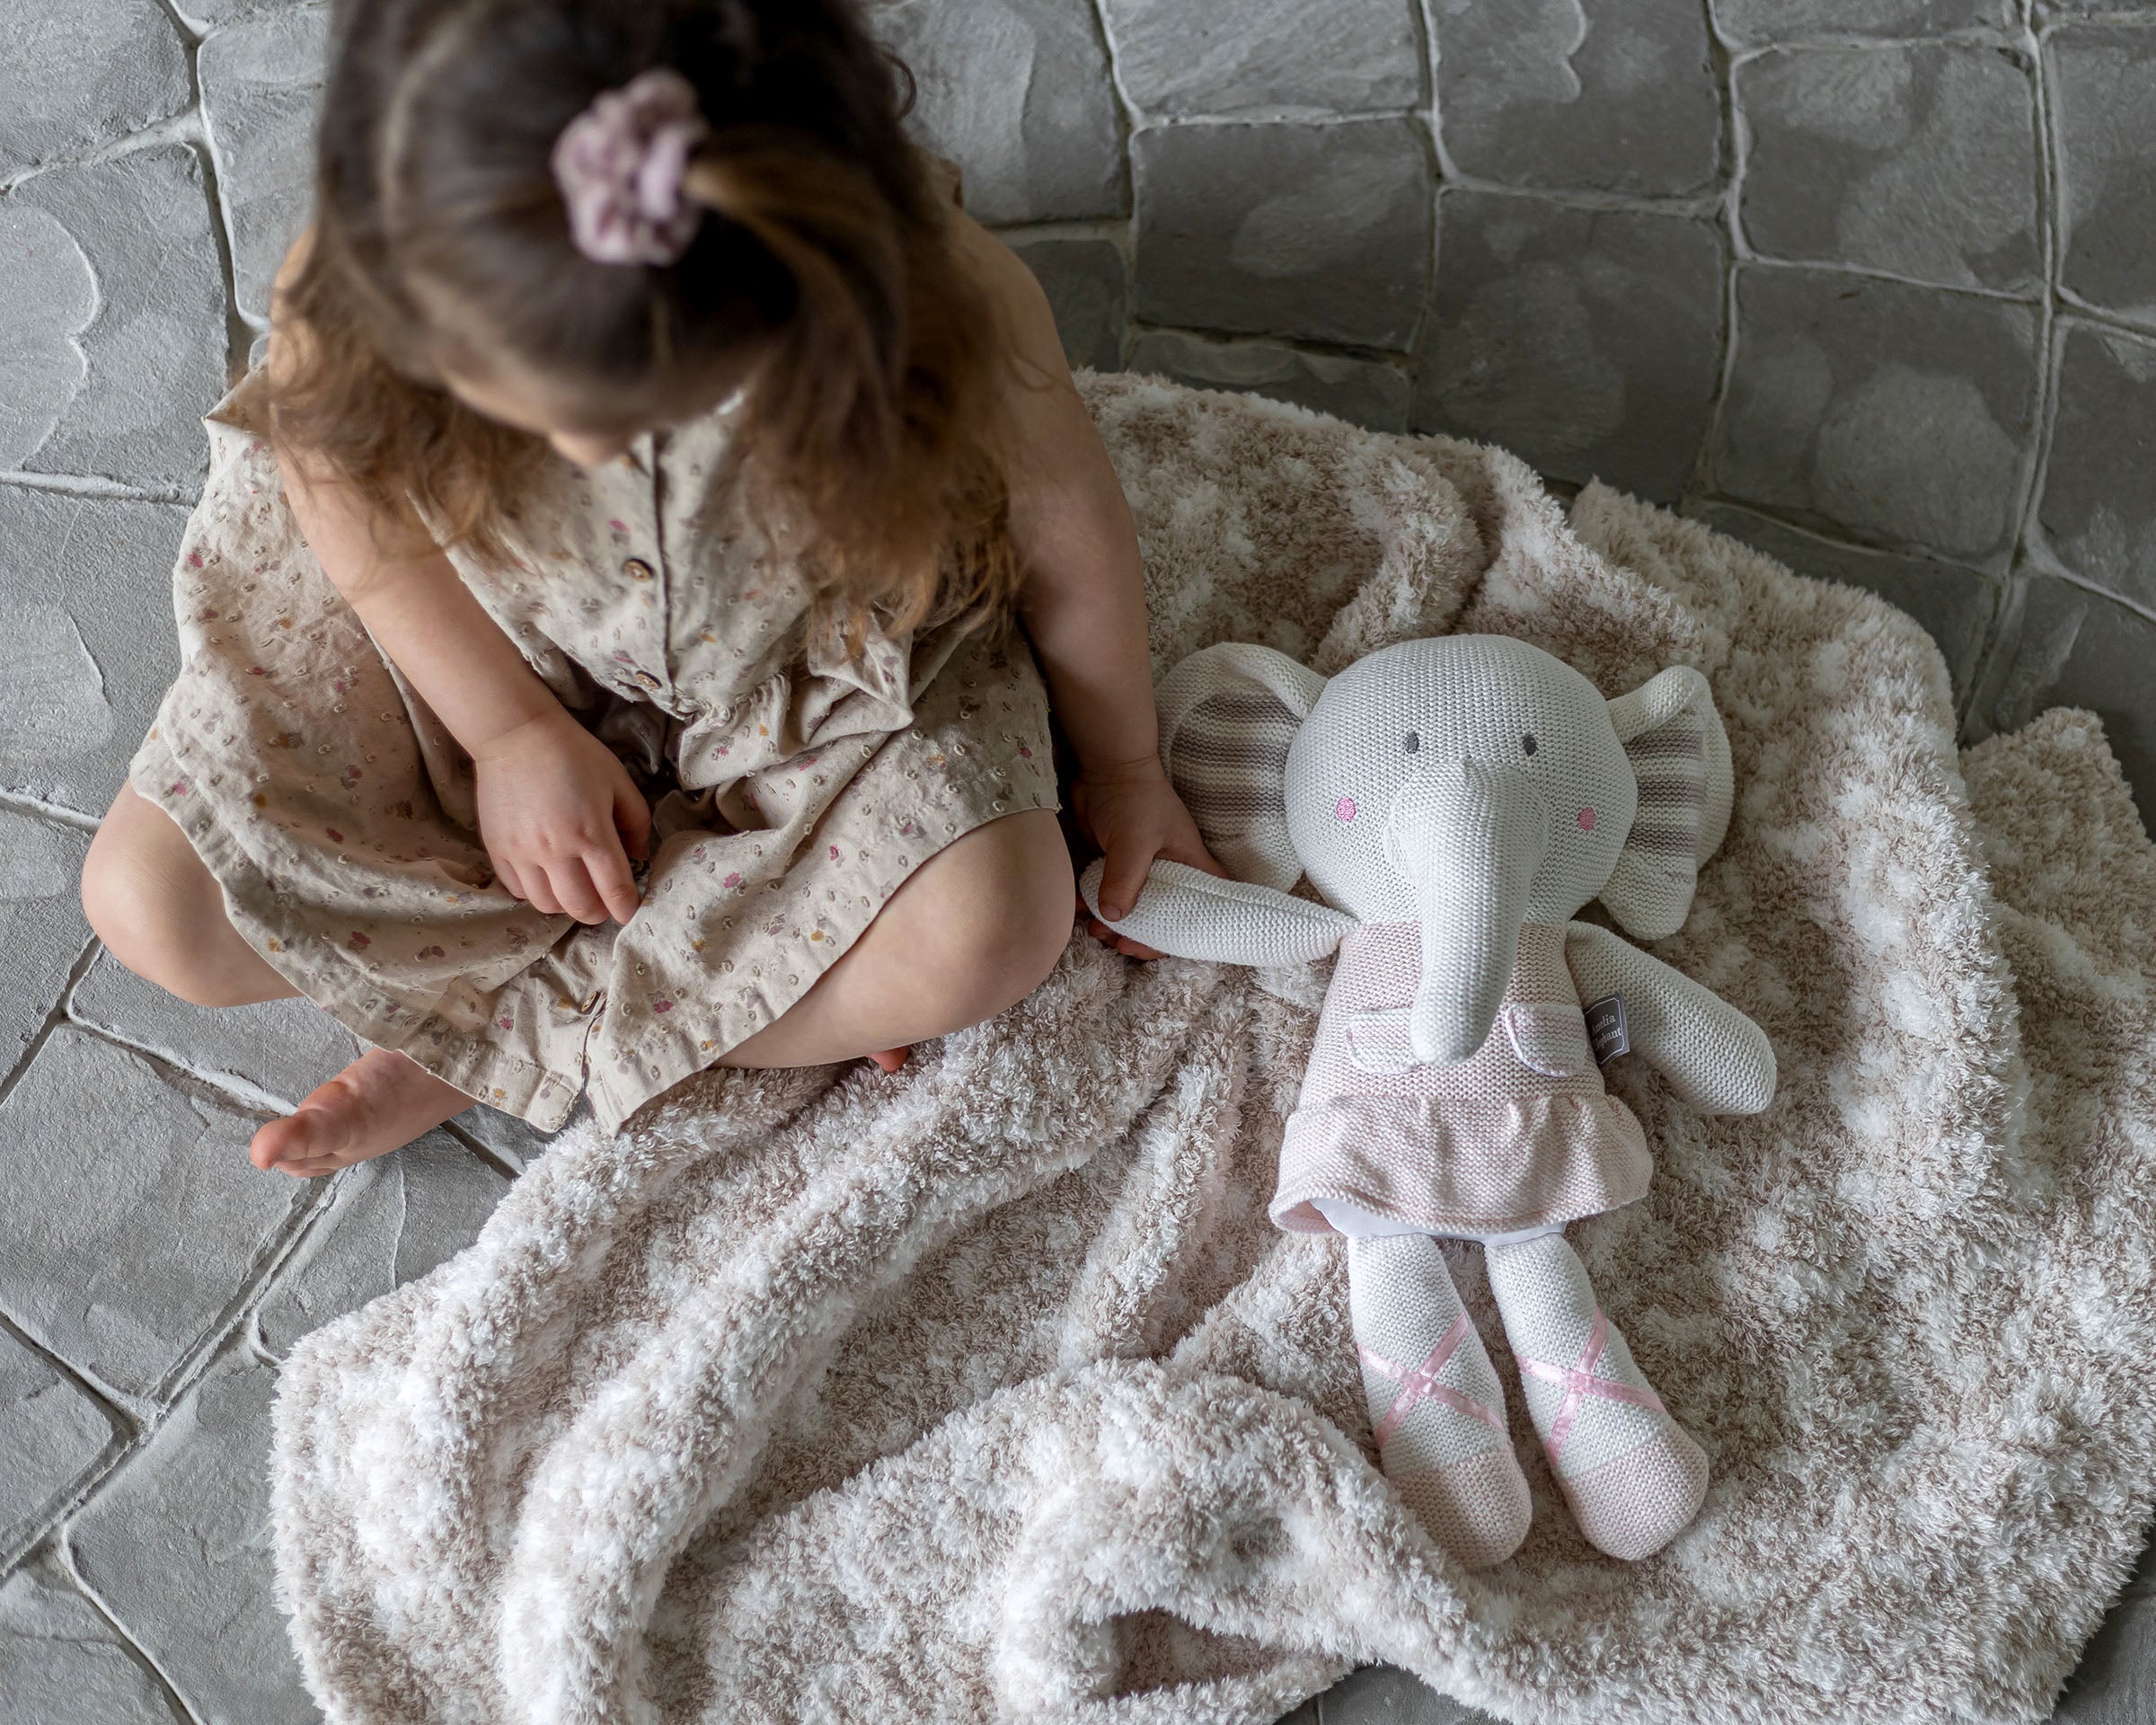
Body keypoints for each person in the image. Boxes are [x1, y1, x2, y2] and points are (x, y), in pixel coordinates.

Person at [80, 0, 1213, 1177]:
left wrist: (1126, 767)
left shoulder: (934, 299)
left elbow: (1068, 540)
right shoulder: (383, 256)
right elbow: (345, 490)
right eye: (531, 406)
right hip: (470, 623)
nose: (582, 450)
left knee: (993, 932)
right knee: (154, 904)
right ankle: (649, 1008)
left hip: (804, 670)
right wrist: (508, 733)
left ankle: (492, 1028)